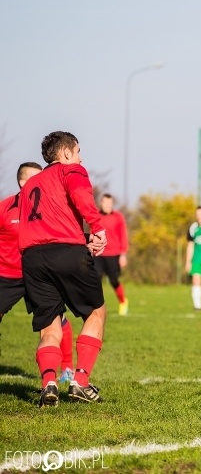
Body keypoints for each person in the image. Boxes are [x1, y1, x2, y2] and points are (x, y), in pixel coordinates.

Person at [18, 132, 108, 407]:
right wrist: (97, 227)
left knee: (49, 329)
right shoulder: (71, 170)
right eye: (79, 151)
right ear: (67, 153)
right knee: (95, 311)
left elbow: (44, 226)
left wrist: (80, 238)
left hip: (32, 258)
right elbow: (81, 195)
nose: (81, 157)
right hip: (67, 254)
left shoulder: (32, 184)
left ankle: (49, 384)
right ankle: (80, 382)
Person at [0, 162, 76, 384]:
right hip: (8, 275)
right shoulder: (4, 209)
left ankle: (67, 370)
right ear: (23, 183)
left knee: (55, 321)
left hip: (39, 274)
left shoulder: (50, 208)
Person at [95, 193, 129, 316]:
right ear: (101, 203)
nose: (107, 206)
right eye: (105, 203)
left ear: (112, 204)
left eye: (110, 203)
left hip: (114, 254)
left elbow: (123, 236)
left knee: (114, 280)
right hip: (98, 253)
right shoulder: (96, 216)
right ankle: (96, 306)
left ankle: (123, 301)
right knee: (96, 279)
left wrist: (123, 254)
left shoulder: (118, 217)